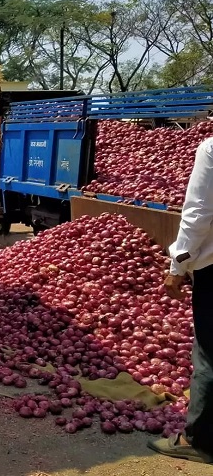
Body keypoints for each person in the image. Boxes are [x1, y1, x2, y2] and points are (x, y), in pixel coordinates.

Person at [151, 135, 213, 464]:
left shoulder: (212, 149)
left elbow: (198, 214)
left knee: (209, 354)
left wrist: (178, 265)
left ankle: (200, 440)